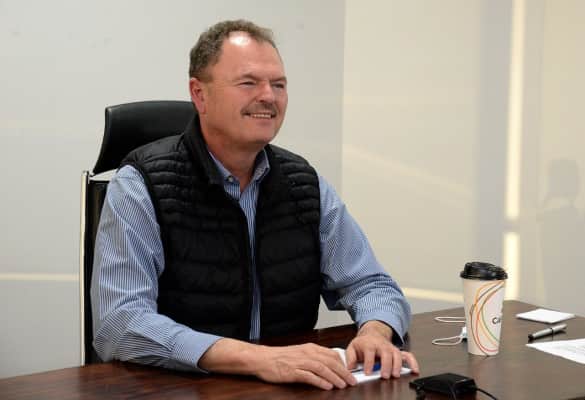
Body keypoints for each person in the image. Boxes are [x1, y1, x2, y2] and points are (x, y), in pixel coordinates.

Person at [91, 19, 419, 390]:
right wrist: (259, 359)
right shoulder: (139, 186)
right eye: (249, 83)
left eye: (278, 84)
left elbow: (372, 284)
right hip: (179, 389)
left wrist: (375, 332)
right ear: (199, 94)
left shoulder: (303, 183)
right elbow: (121, 323)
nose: (269, 96)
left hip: (288, 387)